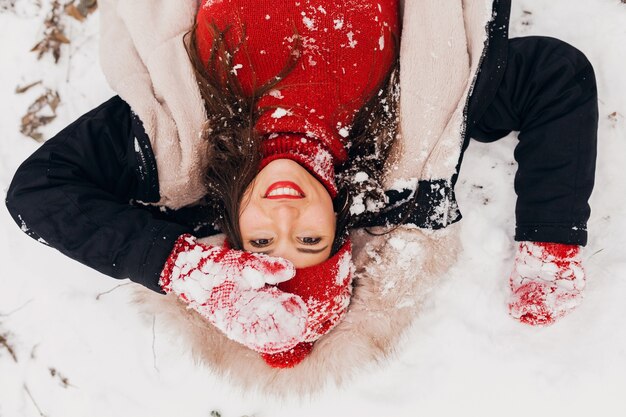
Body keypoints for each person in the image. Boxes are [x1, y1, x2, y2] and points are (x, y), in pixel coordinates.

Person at [5, 0, 598, 371]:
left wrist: (176, 267)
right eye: (310, 242)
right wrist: (551, 243)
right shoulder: (416, 124)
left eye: (261, 247)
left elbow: (38, 192)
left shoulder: (177, 142)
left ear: (230, 238)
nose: (284, 221)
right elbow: (555, 76)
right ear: (341, 228)